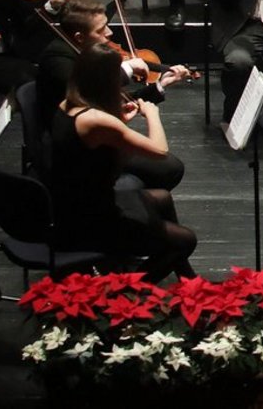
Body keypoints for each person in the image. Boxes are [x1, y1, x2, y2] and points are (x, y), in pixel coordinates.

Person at [51, 45, 197, 282]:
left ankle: (188, 280)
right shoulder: (96, 120)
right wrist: (152, 115)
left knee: (162, 196)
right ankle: (127, 290)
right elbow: (160, 152)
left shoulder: (68, 105)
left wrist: (119, 122)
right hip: (90, 219)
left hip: (76, 202)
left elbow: (101, 155)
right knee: (186, 240)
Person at [34, 0, 190, 189]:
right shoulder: (58, 58)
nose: (109, 33)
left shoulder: (89, 55)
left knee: (166, 171)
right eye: (100, 31)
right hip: (72, 149)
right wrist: (128, 70)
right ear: (79, 38)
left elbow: (112, 98)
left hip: (94, 132)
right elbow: (90, 90)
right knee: (168, 167)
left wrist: (159, 86)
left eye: (106, 25)